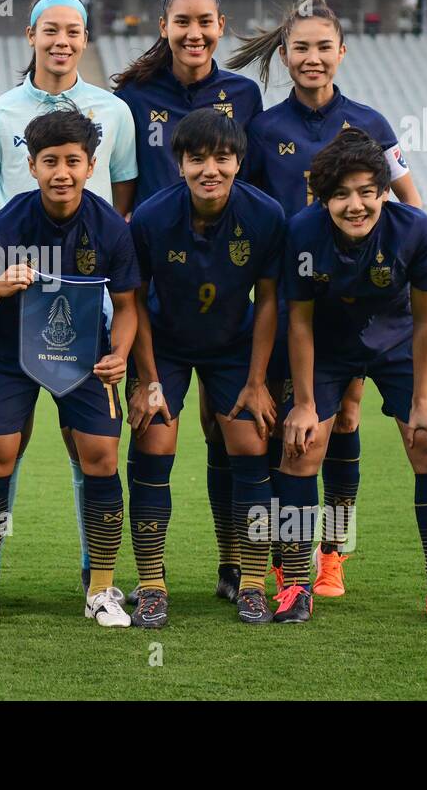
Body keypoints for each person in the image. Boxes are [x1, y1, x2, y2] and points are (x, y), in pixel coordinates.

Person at [231, 0, 423, 597]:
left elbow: (411, 204)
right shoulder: (263, 129)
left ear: (341, 51)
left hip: (361, 302)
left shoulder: (371, 123)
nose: (312, 58)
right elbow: (252, 213)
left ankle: (333, 551)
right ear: (284, 56)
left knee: (344, 421)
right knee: (291, 426)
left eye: (323, 47)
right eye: (300, 48)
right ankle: (287, 559)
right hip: (293, 301)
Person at [0, 0, 138, 595]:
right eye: (50, 30)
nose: (61, 40)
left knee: (90, 450)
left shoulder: (113, 113)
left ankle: (99, 579)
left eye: (73, 31)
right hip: (13, 309)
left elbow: (117, 215)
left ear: (85, 40)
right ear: (30, 36)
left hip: (83, 310)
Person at [278, 128, 427, 626]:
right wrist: (303, 402)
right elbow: (298, 321)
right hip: (326, 347)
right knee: (300, 448)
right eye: (342, 194)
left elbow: (426, 321)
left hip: (396, 344)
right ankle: (297, 585)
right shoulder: (301, 233)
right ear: (323, 198)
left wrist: (423, 399)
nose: (356, 204)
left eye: (368, 191)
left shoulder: (416, 231)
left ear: (385, 190)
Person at [113, 0, 264, 603]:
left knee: (238, 435)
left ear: (221, 26)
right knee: (155, 430)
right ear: (164, 28)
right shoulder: (135, 95)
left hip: (228, 294)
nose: (194, 33)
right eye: (182, 22)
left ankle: (242, 571)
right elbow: (123, 184)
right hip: (157, 292)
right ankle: (151, 582)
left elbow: (255, 188)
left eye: (205, 22)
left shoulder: (244, 96)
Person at [127, 109, 284, 626]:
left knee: (250, 443)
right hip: (166, 347)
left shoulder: (265, 216)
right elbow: (135, 301)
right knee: (154, 439)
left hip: (233, 348)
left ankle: (250, 582)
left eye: (221, 157)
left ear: (238, 161)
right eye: (197, 159)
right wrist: (149, 380)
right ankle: (151, 582)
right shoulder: (150, 217)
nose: (209, 169)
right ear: (180, 164)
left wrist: (259, 382)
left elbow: (268, 303)